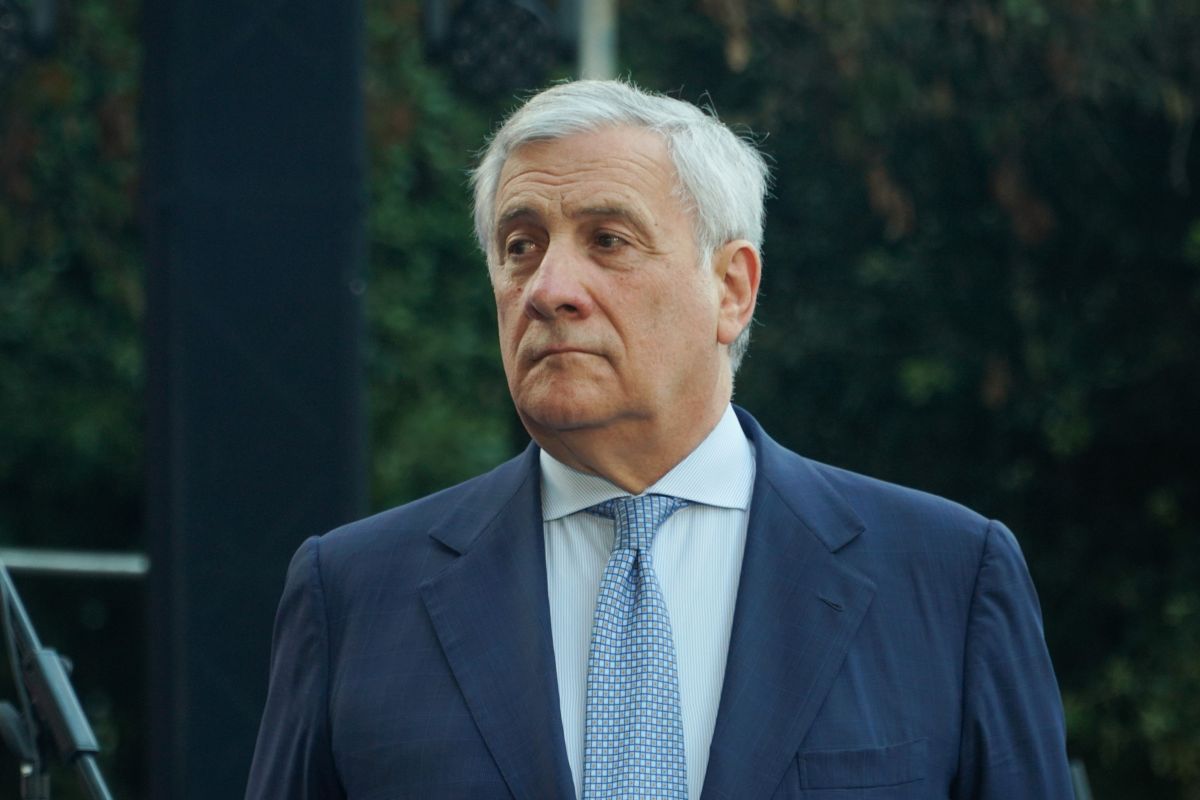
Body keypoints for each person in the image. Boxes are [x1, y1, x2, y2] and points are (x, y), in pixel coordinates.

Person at [245, 80, 1072, 799]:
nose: (548, 289)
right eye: (520, 247)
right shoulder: (353, 597)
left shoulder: (946, 578)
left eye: (608, 240)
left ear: (732, 289)